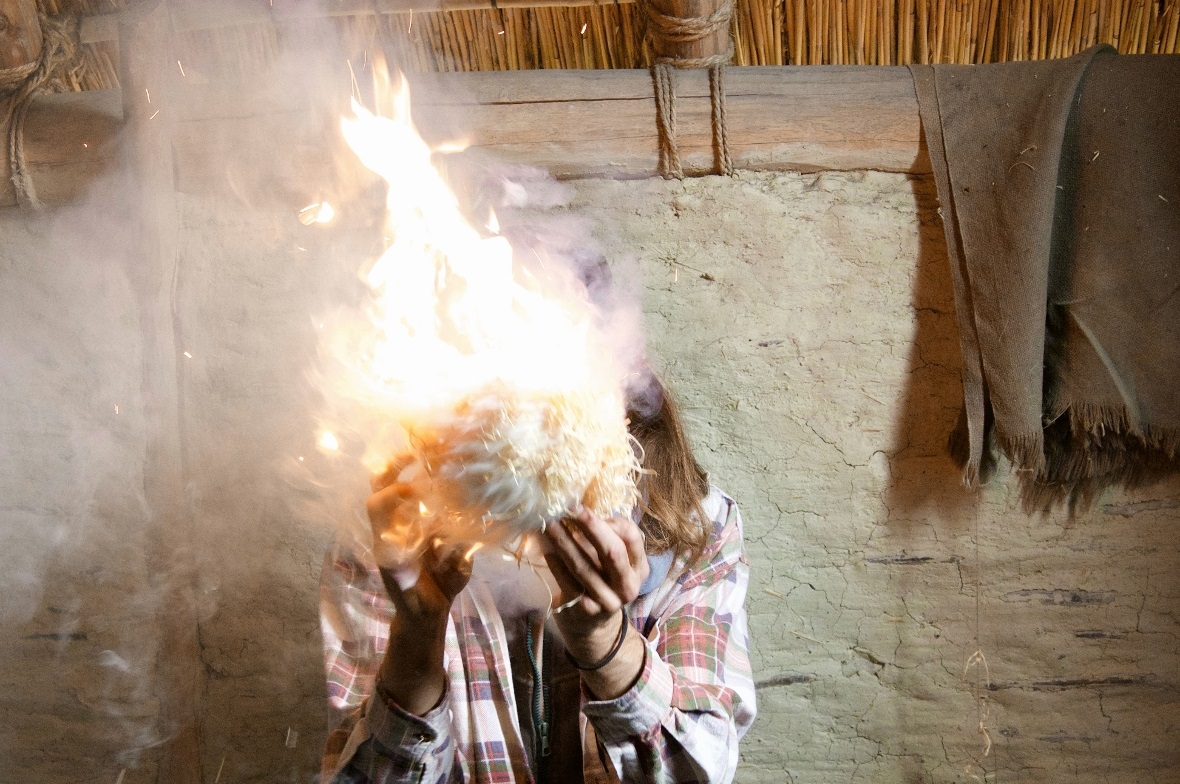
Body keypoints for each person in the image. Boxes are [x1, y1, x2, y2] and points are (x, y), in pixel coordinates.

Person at [319, 383, 756, 783]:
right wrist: (417, 632)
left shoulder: (700, 527)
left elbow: (696, 773)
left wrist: (605, 642)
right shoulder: (392, 537)